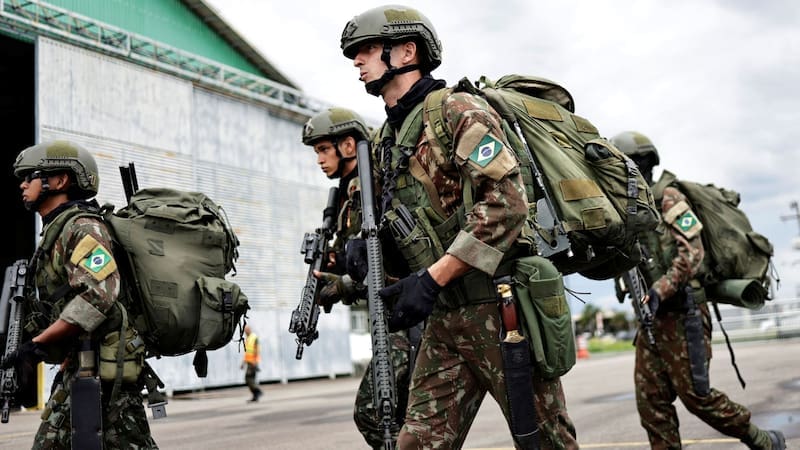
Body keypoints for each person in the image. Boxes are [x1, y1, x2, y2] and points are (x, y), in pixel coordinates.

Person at [340, 6, 578, 449]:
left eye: (367, 49)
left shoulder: (456, 110)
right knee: (416, 443)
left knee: (546, 441)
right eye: (355, 53)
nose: (357, 61)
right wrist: (368, 253)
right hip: (444, 319)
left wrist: (432, 278)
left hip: (502, 307)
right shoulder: (382, 144)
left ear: (407, 51)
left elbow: (507, 206)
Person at [611, 131, 786, 450]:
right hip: (652, 321)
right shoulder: (629, 209)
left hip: (683, 314)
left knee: (697, 397)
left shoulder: (669, 198)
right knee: (651, 402)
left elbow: (692, 252)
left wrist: (661, 290)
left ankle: (761, 439)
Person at [2, 140, 158, 449]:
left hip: (104, 377)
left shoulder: (82, 228)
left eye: (30, 175)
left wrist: (37, 346)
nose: (22, 184)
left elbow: (98, 295)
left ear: (59, 181)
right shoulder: (56, 233)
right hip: (82, 367)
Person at [301, 106, 420, 449]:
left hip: (407, 316)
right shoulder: (347, 196)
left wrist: (343, 286)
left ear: (349, 146)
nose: (319, 159)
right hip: (389, 318)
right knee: (401, 419)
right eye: (317, 152)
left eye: (324, 149)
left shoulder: (375, 188)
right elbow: (353, 261)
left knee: (374, 412)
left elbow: (390, 263)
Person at [241, 324, 263, 402]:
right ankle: (255, 395)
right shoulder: (248, 338)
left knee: (248, 378)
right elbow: (247, 352)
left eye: (246, 330)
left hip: (253, 362)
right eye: (244, 331)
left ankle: (257, 392)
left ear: (249, 330)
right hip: (249, 362)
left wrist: (254, 361)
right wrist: (243, 363)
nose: (245, 332)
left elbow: (256, 349)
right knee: (251, 379)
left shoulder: (254, 337)